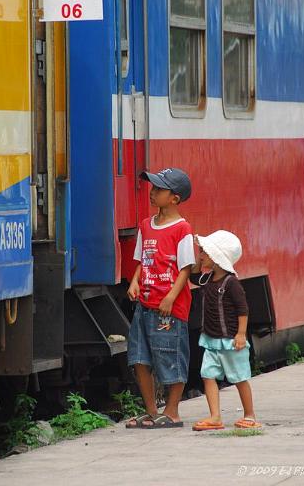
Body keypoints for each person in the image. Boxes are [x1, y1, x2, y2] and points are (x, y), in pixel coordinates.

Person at [126, 168, 194, 429]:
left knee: (171, 356)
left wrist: (170, 297)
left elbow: (186, 267)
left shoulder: (182, 229)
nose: (152, 192)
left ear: (174, 198)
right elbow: (143, 259)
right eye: (152, 187)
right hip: (145, 304)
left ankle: (173, 411)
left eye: (158, 189)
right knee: (140, 357)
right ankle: (153, 411)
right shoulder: (146, 225)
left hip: (169, 308)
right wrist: (134, 281)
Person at [191, 230, 261, 431]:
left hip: (231, 340)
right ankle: (215, 417)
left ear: (217, 257)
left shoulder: (232, 283)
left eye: (204, 252)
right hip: (211, 340)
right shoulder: (207, 278)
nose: (201, 255)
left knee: (239, 378)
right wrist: (201, 257)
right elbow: (193, 274)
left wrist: (241, 334)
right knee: (207, 375)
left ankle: (250, 415)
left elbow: (243, 309)